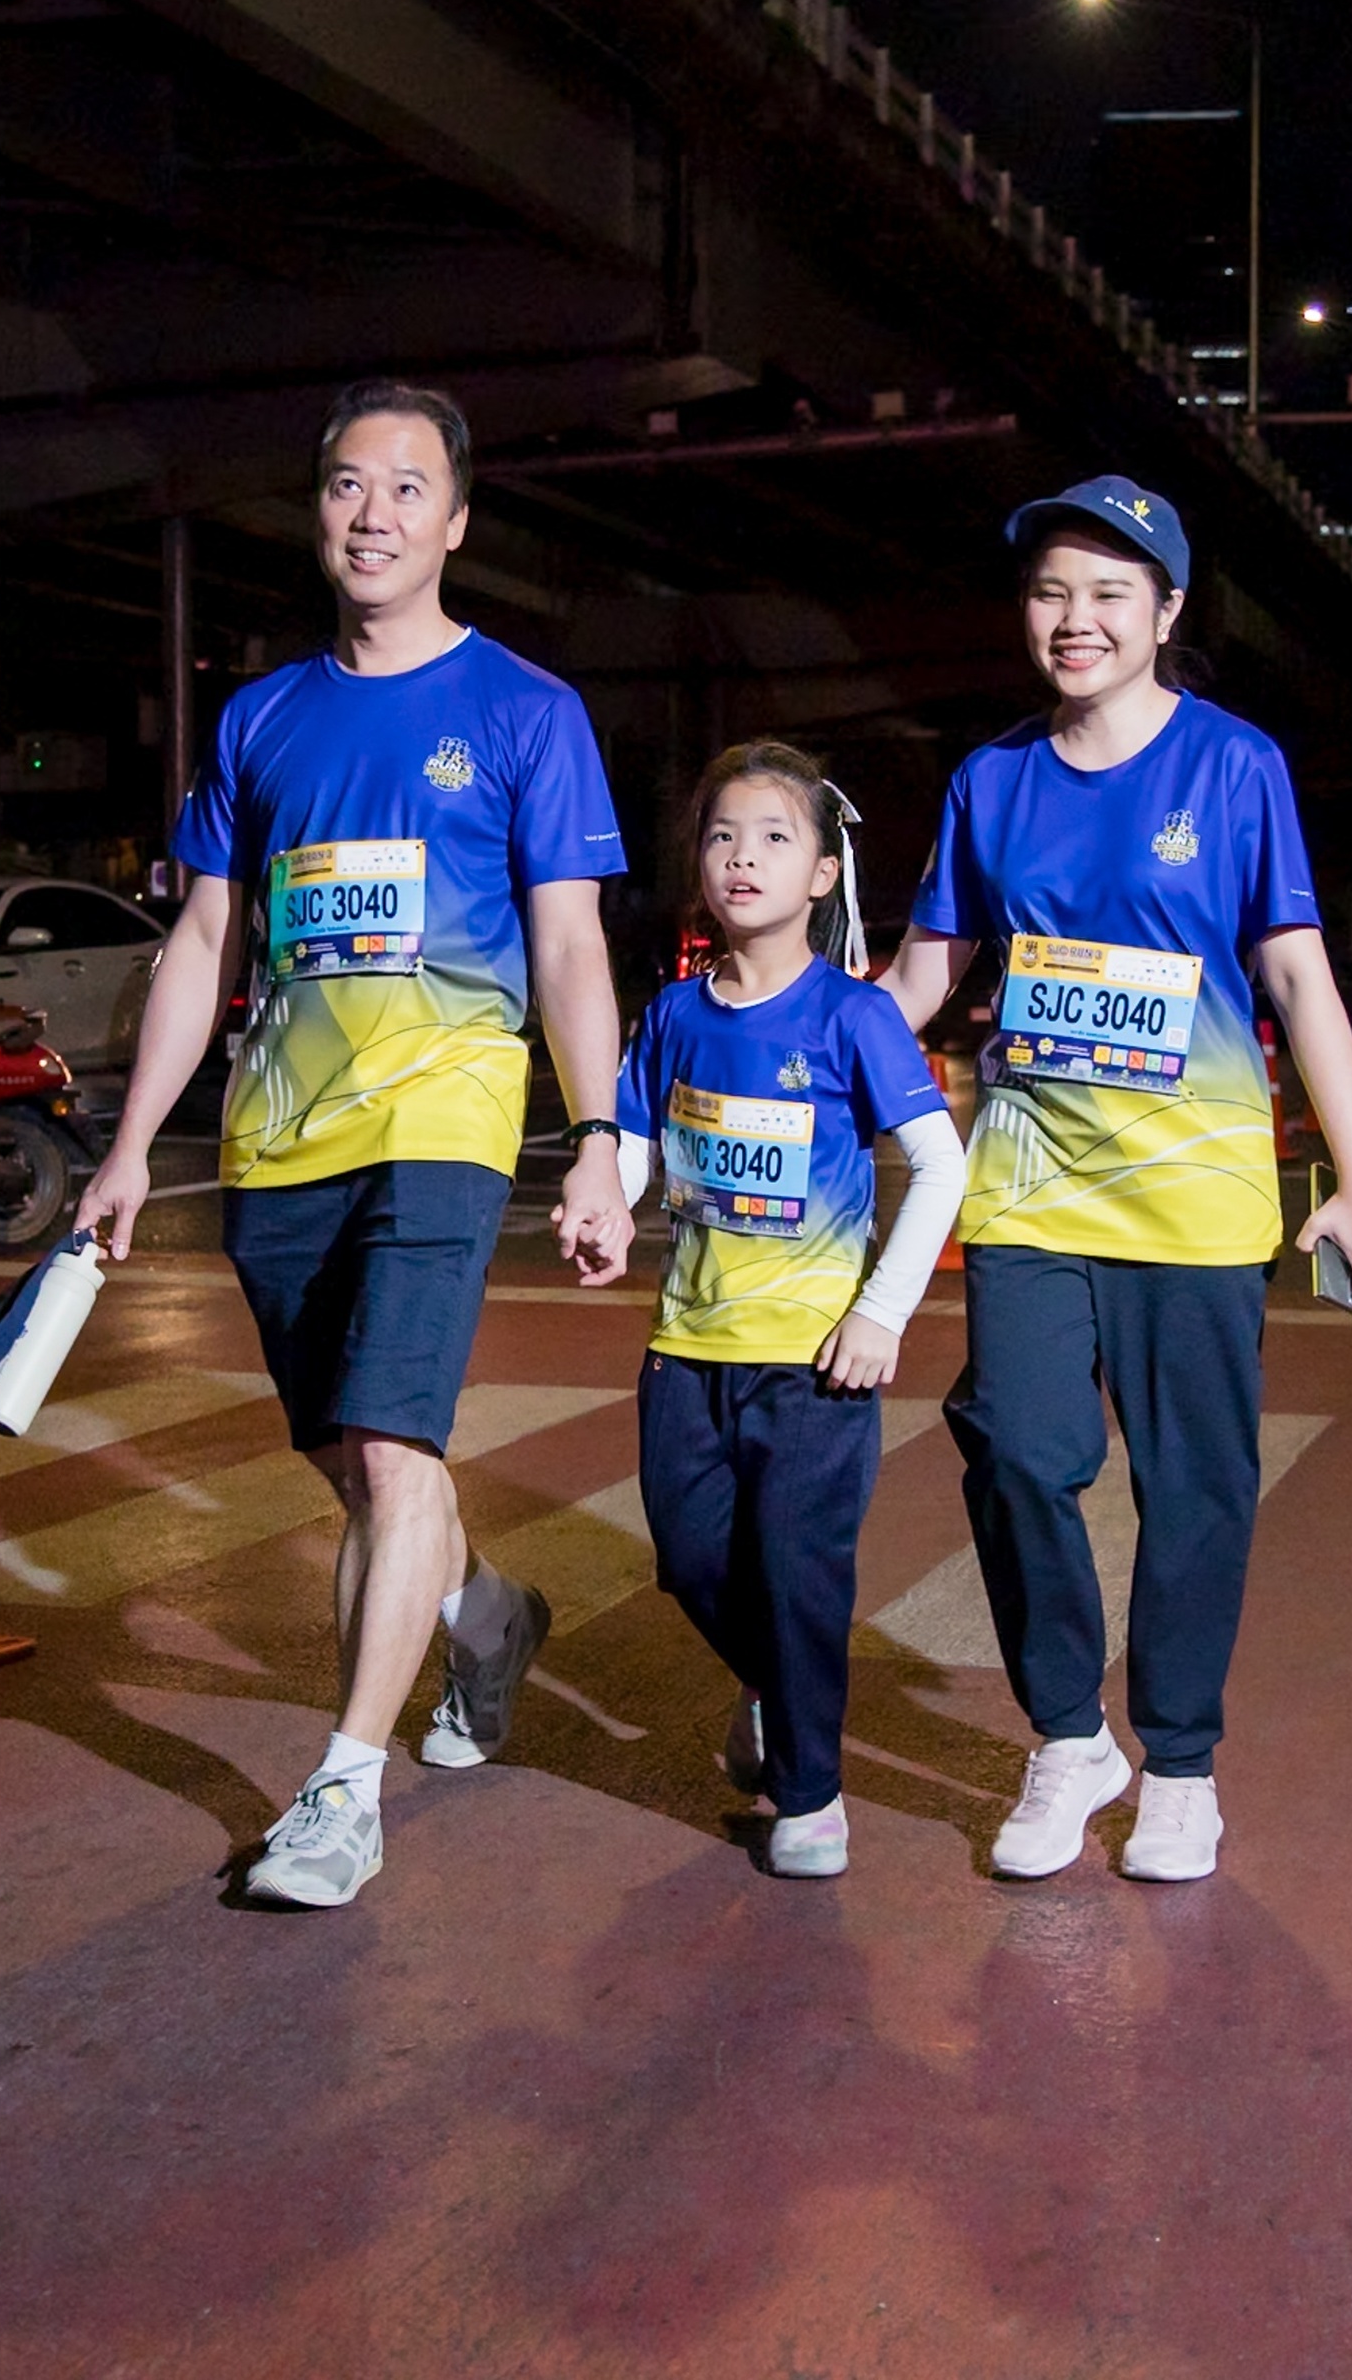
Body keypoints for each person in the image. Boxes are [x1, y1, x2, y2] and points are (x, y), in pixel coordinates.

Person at [70, 379, 631, 1910]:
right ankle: (489, 1612)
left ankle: (342, 1790)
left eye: (406, 488)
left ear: (456, 523)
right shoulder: (261, 718)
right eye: (344, 485)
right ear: (316, 511)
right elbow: (203, 941)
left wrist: (597, 1133)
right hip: (281, 1137)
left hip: (445, 1122)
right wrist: (130, 1145)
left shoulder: (527, 710)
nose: (372, 513)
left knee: (394, 1446)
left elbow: (568, 944)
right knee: (350, 1459)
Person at [878, 476, 1352, 1886]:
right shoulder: (992, 780)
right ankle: (1068, 1737)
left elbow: (1296, 974)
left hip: (1196, 1194)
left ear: (1165, 613)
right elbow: (931, 968)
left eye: (1111, 593)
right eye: (1052, 591)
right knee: (1015, 1445)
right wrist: (804, 1053)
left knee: (1195, 1485)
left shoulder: (1234, 767)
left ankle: (1178, 1763)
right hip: (1031, 1187)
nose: (1077, 619)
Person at [570, 742, 960, 1878]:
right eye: (723, 837)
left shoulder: (855, 1015)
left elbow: (940, 1166)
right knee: (691, 1560)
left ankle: (811, 1792)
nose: (743, 857)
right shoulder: (673, 1015)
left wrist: (882, 1314)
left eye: (775, 838)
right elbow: (636, 1144)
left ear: (823, 874)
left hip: (814, 1366)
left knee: (798, 1575)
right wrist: (605, 1201)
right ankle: (778, 1687)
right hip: (685, 1352)